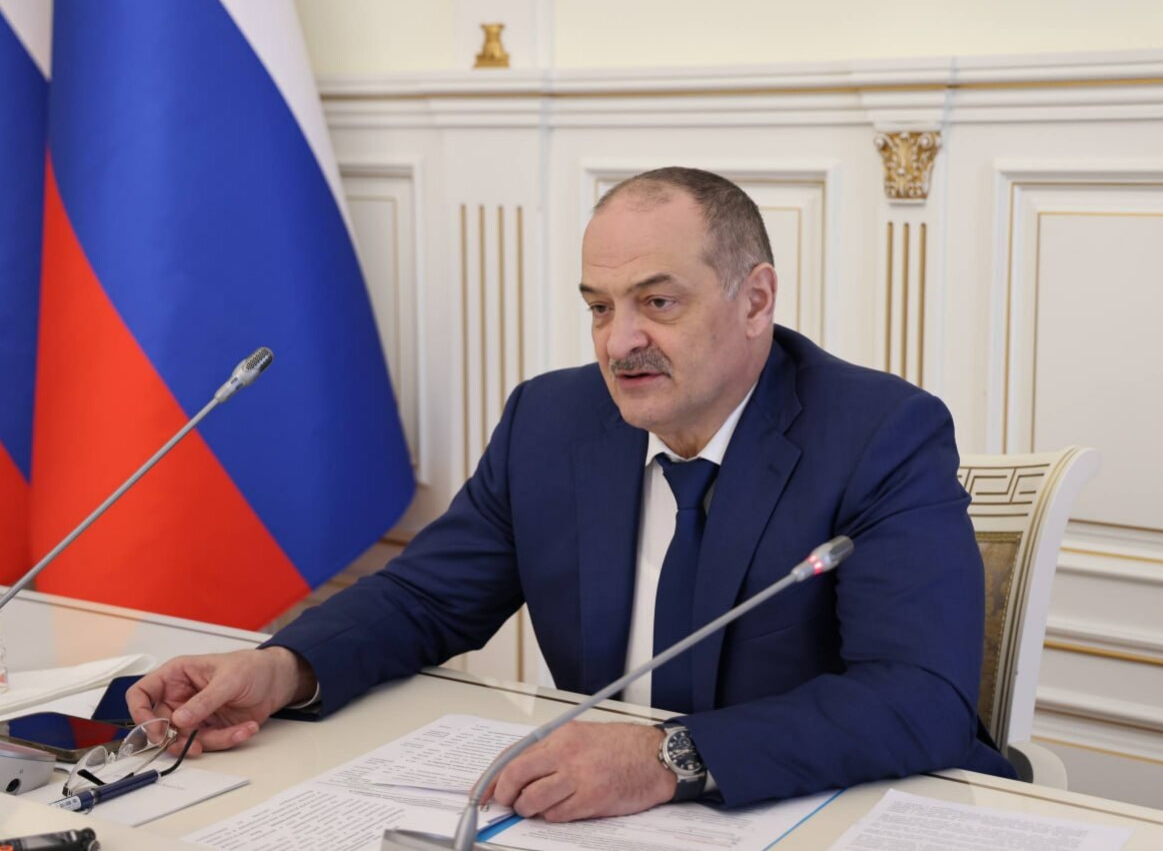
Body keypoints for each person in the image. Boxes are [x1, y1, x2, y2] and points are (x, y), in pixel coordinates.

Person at [128, 167, 1014, 823]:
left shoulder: (880, 433)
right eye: (598, 306)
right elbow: (425, 599)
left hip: (813, 815)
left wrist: (668, 758)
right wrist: (283, 668)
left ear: (756, 301)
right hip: (602, 828)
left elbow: (918, 697)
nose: (618, 341)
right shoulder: (551, 422)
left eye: (657, 303)